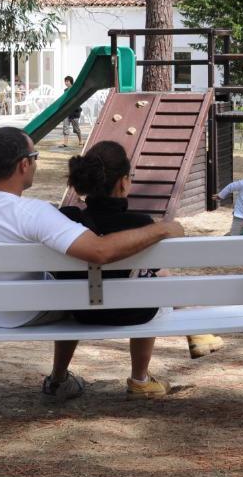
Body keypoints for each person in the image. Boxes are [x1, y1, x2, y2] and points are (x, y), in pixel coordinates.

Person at [0, 126, 184, 401]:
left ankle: (59, 379)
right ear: (24, 165)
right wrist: (162, 229)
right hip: (22, 314)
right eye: (35, 156)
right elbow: (99, 251)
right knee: (77, 289)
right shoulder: (33, 213)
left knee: (71, 281)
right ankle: (95, 378)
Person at [60, 140, 224, 369]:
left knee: (98, 284)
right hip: (134, 312)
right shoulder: (141, 225)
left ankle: (59, 376)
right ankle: (140, 378)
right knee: (151, 283)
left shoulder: (67, 220)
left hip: (80, 312)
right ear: (123, 182)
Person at [61, 75, 83, 148]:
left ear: (71, 82)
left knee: (76, 128)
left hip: (75, 112)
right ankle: (65, 143)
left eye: (67, 81)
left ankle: (80, 141)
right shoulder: (65, 90)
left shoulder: (75, 89)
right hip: (67, 111)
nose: (66, 83)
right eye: (65, 81)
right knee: (65, 126)